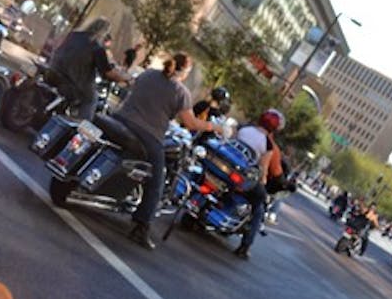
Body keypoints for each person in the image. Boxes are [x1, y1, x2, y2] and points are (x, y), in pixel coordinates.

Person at [115, 53, 224, 250]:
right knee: (157, 179)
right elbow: (190, 122)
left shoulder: (148, 74)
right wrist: (214, 128)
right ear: (185, 71)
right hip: (147, 134)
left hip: (120, 119)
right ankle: (142, 226)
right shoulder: (180, 91)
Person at [47, 18, 130, 120]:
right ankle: (81, 128)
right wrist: (126, 79)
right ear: (103, 32)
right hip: (72, 82)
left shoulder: (73, 35)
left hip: (53, 70)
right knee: (92, 98)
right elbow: (107, 73)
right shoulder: (97, 48)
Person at [232, 108, 285, 259]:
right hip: (244, 178)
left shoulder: (244, 129)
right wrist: (263, 182)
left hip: (228, 168)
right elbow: (263, 169)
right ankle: (245, 246)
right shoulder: (268, 144)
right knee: (260, 207)